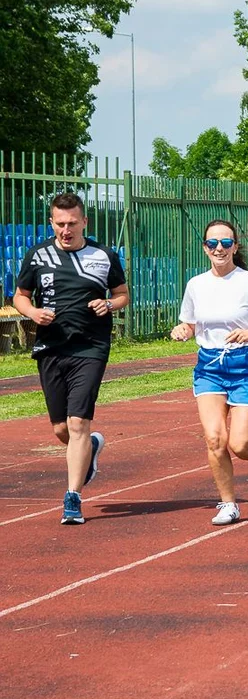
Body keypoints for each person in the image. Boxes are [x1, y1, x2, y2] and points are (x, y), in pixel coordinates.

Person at [13, 192, 130, 525]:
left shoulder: (103, 256)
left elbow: (122, 294)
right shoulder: (37, 256)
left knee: (78, 423)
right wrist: (33, 312)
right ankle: (91, 447)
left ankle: (72, 499)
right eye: (60, 224)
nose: (66, 230)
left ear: (84, 223)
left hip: (90, 347)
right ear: (52, 223)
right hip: (51, 348)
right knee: (62, 429)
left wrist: (108, 304)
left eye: (72, 224)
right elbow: (20, 296)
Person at [170, 220, 248, 525]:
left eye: (224, 242)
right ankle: (229, 504)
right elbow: (191, 323)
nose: (218, 248)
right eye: (212, 243)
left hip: (246, 365)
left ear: (235, 246)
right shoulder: (196, 284)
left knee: (240, 443)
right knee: (214, 438)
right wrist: (183, 330)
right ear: (204, 248)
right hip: (209, 366)